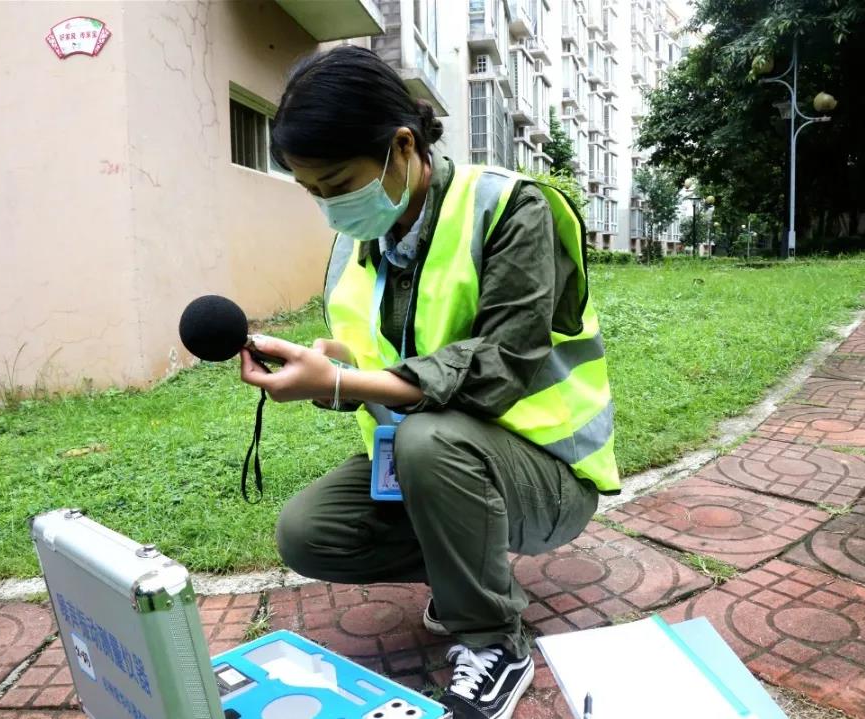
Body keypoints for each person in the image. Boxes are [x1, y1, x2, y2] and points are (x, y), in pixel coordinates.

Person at [239, 46, 620, 719]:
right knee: (308, 532)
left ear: (402, 145)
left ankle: (495, 641)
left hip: (551, 477)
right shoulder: (358, 246)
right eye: (312, 192)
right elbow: (379, 366)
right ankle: (466, 576)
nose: (329, 207)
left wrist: (352, 379)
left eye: (336, 182)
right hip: (434, 466)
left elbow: (501, 365)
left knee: (429, 440)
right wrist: (331, 369)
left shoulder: (509, 208)